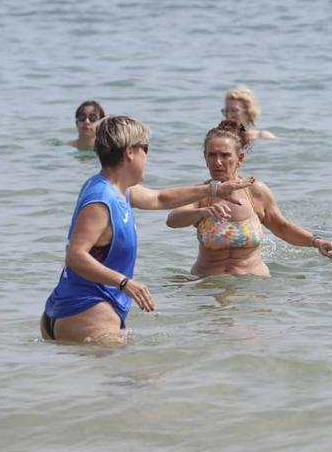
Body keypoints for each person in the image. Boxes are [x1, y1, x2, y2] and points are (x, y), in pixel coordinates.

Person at [42, 116, 254, 346]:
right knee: (142, 379)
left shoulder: (118, 189)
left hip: (75, 310)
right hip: (87, 311)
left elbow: (160, 198)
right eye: (145, 149)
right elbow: (75, 256)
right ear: (130, 152)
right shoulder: (101, 200)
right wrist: (125, 283)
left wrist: (215, 188)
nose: (147, 157)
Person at [166, 121, 332, 276]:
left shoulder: (255, 191)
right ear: (205, 158)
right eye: (212, 155)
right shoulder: (201, 193)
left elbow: (282, 227)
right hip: (208, 286)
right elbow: (173, 220)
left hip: (252, 287)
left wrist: (316, 242)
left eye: (225, 155)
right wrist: (203, 211)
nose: (217, 162)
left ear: (239, 158)